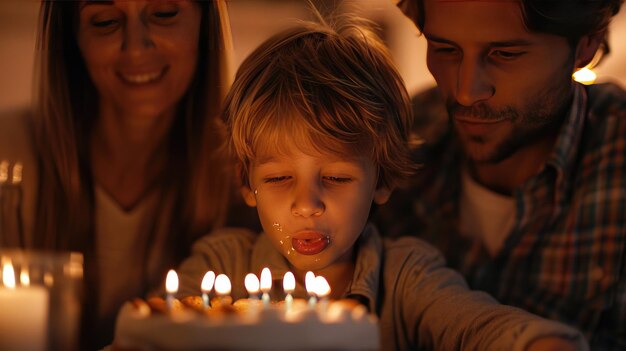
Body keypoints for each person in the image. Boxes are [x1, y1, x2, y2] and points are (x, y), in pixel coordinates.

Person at [173, 15, 589, 351]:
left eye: (336, 177)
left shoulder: (407, 277)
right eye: (279, 177)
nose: (306, 204)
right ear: (247, 184)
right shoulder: (221, 264)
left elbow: (480, 327)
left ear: (382, 182)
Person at [0, 0, 255, 348]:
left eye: (164, 13)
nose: (136, 46)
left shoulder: (251, 176)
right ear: (73, 37)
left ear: (204, 23)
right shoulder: (9, 160)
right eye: (105, 22)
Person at [372, 0, 626, 349]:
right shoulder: (394, 142)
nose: (466, 91)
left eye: (505, 54)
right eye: (445, 49)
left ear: (586, 45)